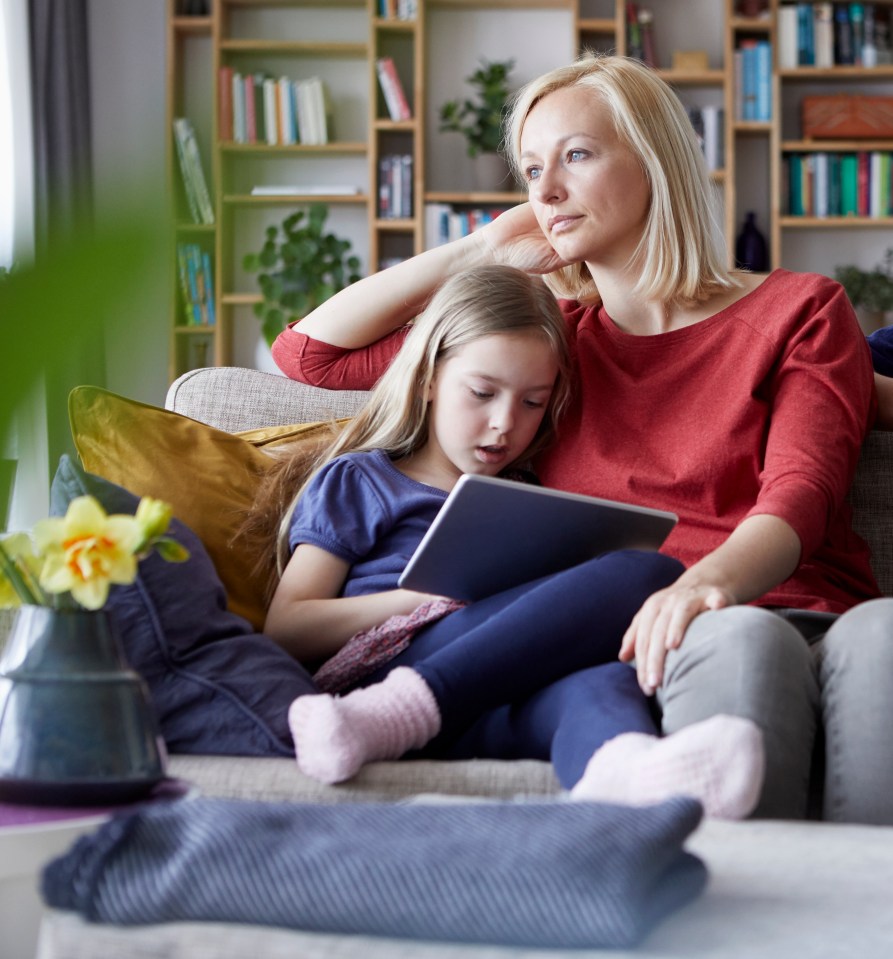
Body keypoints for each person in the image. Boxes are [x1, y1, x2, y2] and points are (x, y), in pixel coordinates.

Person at [270, 53, 893, 825]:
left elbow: (801, 490)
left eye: (575, 155)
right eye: (532, 169)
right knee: (739, 642)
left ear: (654, 159)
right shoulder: (546, 347)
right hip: (643, 634)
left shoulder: (800, 308)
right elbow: (308, 355)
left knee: (884, 634)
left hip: (799, 599)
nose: (547, 191)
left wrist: (705, 580)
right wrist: (481, 249)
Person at [262, 263, 765, 819]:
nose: (504, 423)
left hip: (486, 696)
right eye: (482, 393)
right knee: (652, 574)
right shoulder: (364, 480)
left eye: (532, 402)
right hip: (387, 668)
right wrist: (426, 599)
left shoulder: (531, 497)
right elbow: (287, 627)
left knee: (599, 681)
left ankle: (632, 776)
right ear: (429, 377)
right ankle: (396, 707)